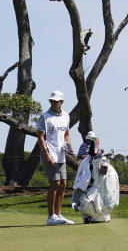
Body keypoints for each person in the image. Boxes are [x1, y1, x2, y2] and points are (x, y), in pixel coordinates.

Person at [38, 90, 74, 225]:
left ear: (61, 102)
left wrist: (69, 147)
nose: (53, 103)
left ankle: (58, 215)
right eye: (51, 101)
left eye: (56, 101)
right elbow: (40, 137)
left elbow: (66, 134)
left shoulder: (66, 116)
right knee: (55, 184)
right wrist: (46, 154)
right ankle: (50, 216)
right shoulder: (45, 117)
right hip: (49, 154)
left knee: (63, 184)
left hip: (61, 155)